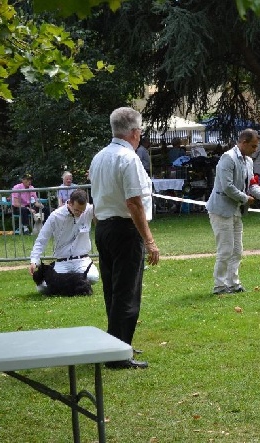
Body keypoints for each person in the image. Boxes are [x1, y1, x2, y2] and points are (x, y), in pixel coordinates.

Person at [89, 106, 160, 370]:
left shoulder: (99, 157)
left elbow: (97, 197)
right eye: (140, 130)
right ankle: (118, 354)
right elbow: (134, 202)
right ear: (134, 132)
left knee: (112, 289)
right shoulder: (128, 159)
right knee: (127, 291)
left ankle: (117, 343)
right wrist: (150, 240)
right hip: (124, 229)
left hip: (105, 227)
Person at [206, 128, 260, 295]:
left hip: (236, 210)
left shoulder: (248, 161)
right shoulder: (228, 158)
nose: (255, 150)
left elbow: (252, 185)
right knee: (225, 250)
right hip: (221, 210)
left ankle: (233, 283)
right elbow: (227, 187)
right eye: (253, 146)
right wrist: (246, 198)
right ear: (243, 143)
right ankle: (220, 286)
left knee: (237, 250)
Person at [29, 189, 99, 292]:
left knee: (93, 277)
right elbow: (41, 239)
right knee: (42, 288)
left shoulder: (89, 210)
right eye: (77, 210)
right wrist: (34, 260)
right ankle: (79, 285)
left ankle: (78, 285)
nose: (80, 213)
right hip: (62, 262)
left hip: (82, 260)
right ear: (70, 203)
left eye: (82, 211)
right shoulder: (55, 216)